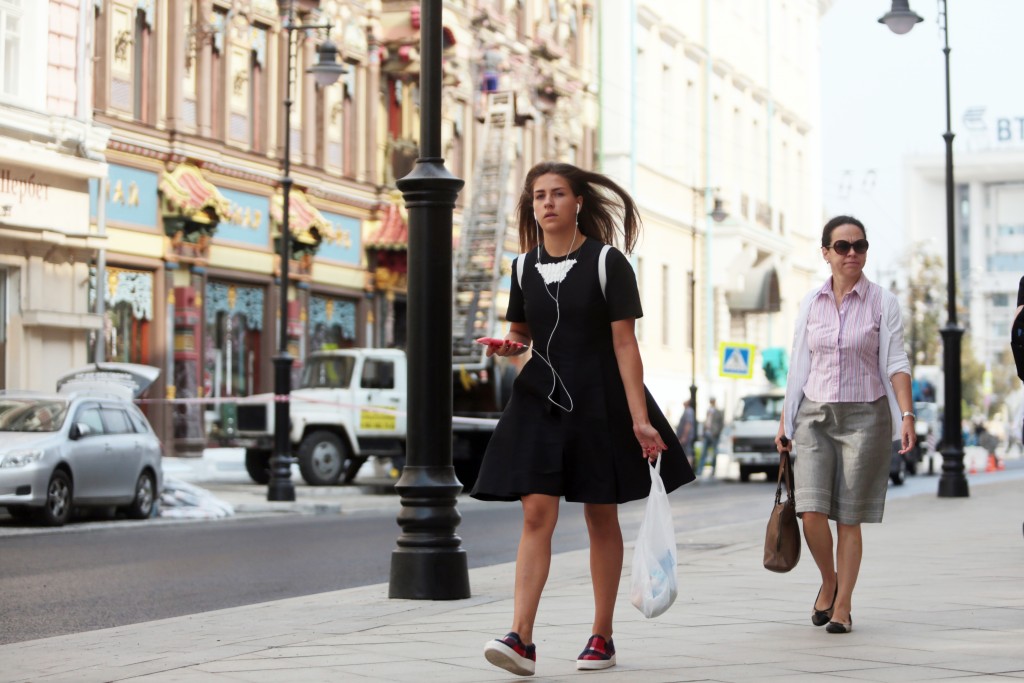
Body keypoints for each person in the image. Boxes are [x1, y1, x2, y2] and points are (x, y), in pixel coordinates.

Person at [471, 161, 694, 676]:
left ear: (577, 203)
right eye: (538, 196)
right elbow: (522, 333)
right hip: (540, 401)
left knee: (600, 515)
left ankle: (602, 635)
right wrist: (511, 347)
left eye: (557, 194)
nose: (546, 203)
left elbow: (625, 345)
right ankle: (521, 638)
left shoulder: (607, 262)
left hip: (599, 401)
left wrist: (641, 419)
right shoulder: (522, 266)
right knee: (535, 514)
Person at [775, 215, 916, 635]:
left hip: (865, 417)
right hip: (814, 416)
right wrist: (785, 421)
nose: (852, 253)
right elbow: (799, 363)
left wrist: (906, 415)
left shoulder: (882, 302)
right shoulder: (810, 303)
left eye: (859, 246)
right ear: (826, 253)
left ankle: (843, 606)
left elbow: (895, 362)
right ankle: (830, 581)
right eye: (842, 246)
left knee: (848, 518)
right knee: (811, 512)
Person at [698, 397, 724, 476]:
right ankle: (700, 470)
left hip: (714, 434)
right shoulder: (708, 410)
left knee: (714, 452)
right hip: (707, 433)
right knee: (704, 452)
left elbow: (721, 424)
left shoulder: (718, 411)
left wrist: (717, 432)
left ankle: (713, 470)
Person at [675, 399, 696, 468]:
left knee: (688, 452)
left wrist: (684, 436)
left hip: (686, 437)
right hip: (685, 436)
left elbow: (688, 424)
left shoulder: (688, 411)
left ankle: (688, 469)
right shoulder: (688, 411)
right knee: (686, 452)